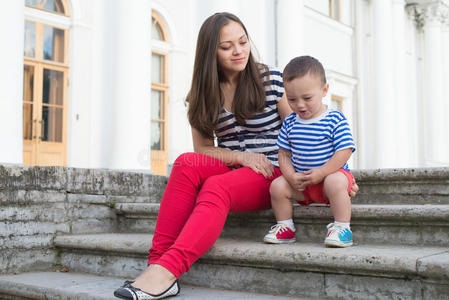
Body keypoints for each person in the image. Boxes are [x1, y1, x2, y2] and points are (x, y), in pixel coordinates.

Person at [114, 14, 358, 300]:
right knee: (185, 163)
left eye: (242, 42)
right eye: (227, 46)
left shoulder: (273, 80)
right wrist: (242, 158)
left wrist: (337, 174)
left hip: (272, 170)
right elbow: (203, 149)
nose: (239, 51)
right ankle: (156, 264)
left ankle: (169, 270)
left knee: (215, 187)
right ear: (210, 52)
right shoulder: (202, 95)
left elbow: (304, 133)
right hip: (235, 166)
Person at [263, 56, 356, 248]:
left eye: (307, 98)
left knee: (335, 181)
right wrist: (289, 175)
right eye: (292, 99)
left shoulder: (334, 119)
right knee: (277, 186)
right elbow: (284, 154)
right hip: (303, 184)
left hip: (329, 179)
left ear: (324, 90)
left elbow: (345, 151)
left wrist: (322, 172)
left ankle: (342, 228)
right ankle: (285, 227)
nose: (300, 105)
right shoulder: (290, 122)